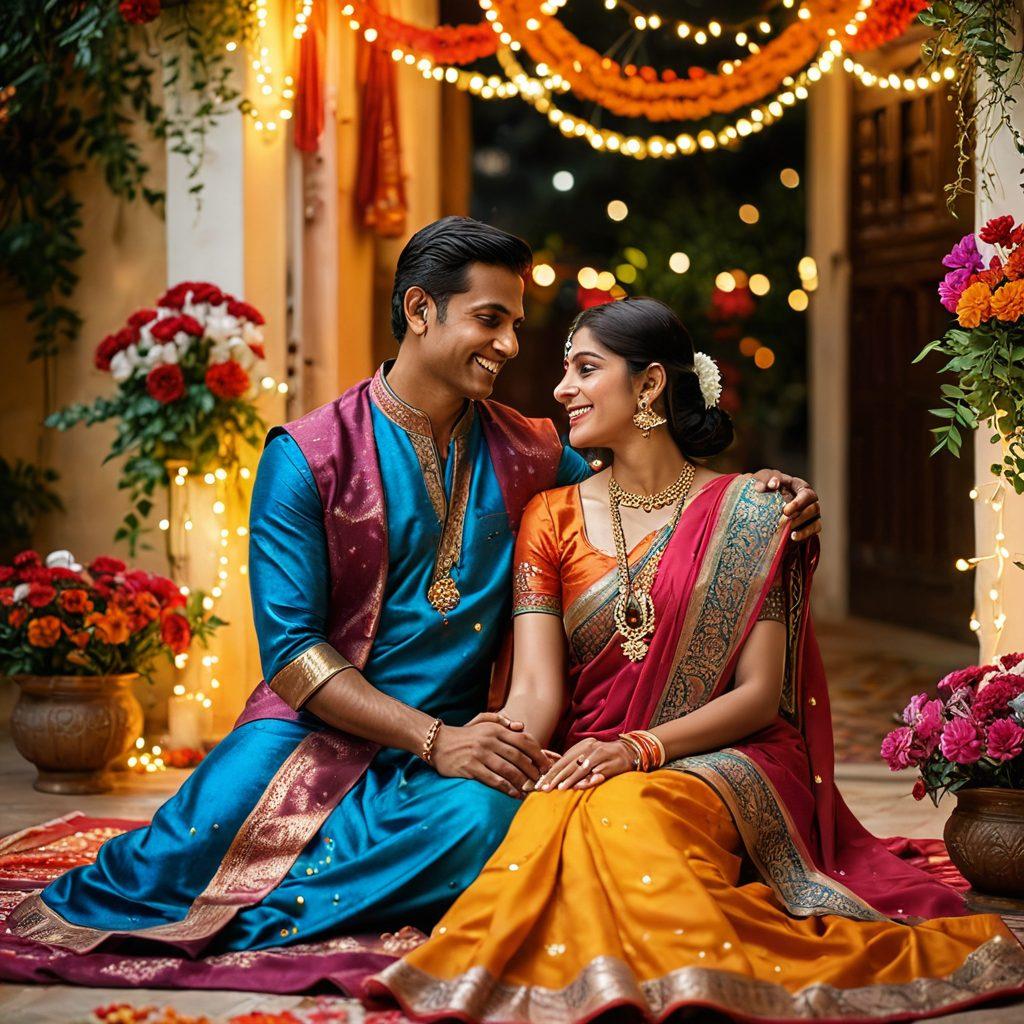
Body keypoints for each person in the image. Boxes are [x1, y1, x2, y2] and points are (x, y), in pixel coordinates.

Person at [10, 221, 821, 966]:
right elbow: (292, 657)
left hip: (462, 753)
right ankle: (270, 897)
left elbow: (651, 494)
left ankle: (303, 899)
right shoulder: (309, 456)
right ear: (420, 310)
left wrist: (757, 498)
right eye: (490, 320)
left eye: (514, 324)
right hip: (310, 738)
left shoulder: (533, 451)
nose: (509, 346)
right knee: (173, 867)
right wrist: (433, 739)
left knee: (492, 825)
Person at [370, 298, 1024, 1023]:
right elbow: (534, 689)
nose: (561, 389)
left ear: (650, 384)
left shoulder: (753, 511)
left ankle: (696, 977)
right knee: (556, 814)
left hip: (729, 752)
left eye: (585, 369)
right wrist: (507, 750)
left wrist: (639, 748)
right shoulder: (549, 517)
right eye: (565, 370)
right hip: (594, 750)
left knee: (630, 809)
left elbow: (758, 695)